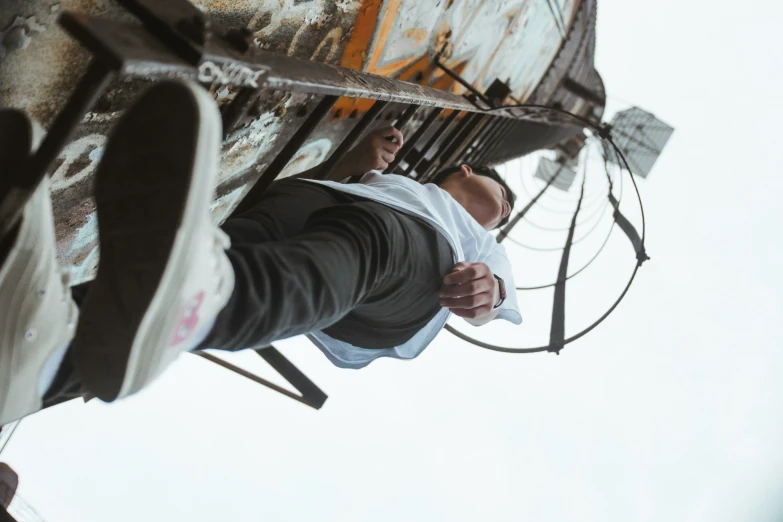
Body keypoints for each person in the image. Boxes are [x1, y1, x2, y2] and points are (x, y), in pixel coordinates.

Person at [0, 81, 521, 425]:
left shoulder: (479, 243)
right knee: (197, 259)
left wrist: (491, 291)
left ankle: (200, 301)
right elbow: (345, 194)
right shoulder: (391, 182)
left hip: (410, 271)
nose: (499, 216)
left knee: (367, 242)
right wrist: (362, 163)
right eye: (502, 203)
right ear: (466, 173)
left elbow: (501, 294)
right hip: (335, 205)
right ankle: (35, 362)